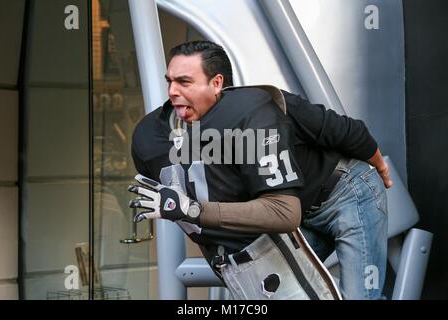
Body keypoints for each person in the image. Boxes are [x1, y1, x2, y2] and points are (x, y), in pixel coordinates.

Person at [128, 40, 390, 300]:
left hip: (345, 195)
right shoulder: (160, 136)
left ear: (217, 84)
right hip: (291, 218)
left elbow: (346, 131)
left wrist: (380, 168)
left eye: (184, 82)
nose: (172, 91)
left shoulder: (261, 108)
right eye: (170, 81)